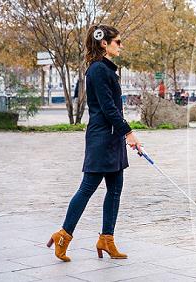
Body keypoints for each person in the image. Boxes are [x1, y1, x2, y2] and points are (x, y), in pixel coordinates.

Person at [47, 24, 141, 262]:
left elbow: (113, 108)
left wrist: (123, 134)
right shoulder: (97, 70)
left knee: (115, 189)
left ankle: (106, 239)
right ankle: (63, 236)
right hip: (101, 139)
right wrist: (129, 133)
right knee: (87, 188)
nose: (121, 45)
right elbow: (108, 108)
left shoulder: (108, 69)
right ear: (104, 43)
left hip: (112, 139)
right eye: (118, 42)